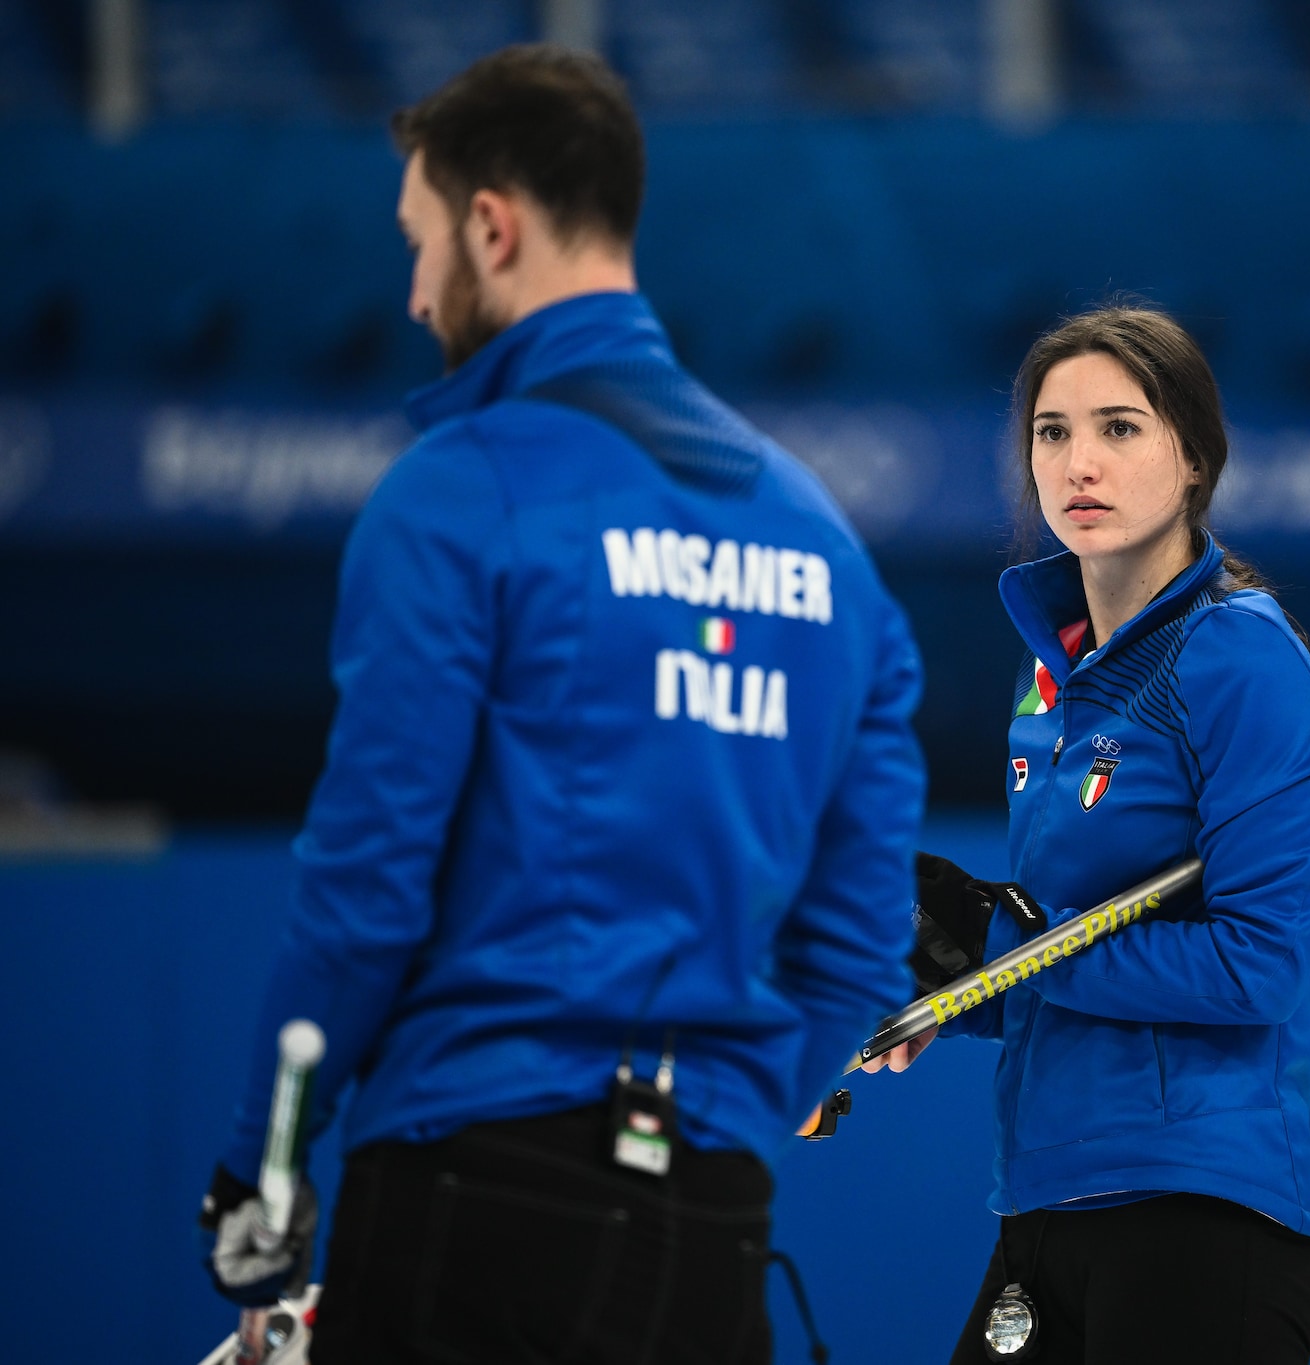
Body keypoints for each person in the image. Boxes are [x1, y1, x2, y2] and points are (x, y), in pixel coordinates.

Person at [194, 45, 924, 1365]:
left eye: (418, 243)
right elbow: (861, 947)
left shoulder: (458, 490)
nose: (415, 296)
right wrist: (731, 1122)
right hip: (712, 1236)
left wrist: (265, 1171)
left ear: (492, 224)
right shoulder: (826, 546)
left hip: (471, 1199)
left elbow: (364, 891)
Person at [870, 304, 1310, 1363]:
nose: (1077, 461)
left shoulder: (1238, 658)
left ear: (1191, 459)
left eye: (1118, 428)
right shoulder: (1050, 677)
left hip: (1197, 1213)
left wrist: (1008, 948)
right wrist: (948, 989)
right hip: (1044, 1200)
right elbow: (1068, 960)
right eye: (1051, 432)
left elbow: (1257, 967)